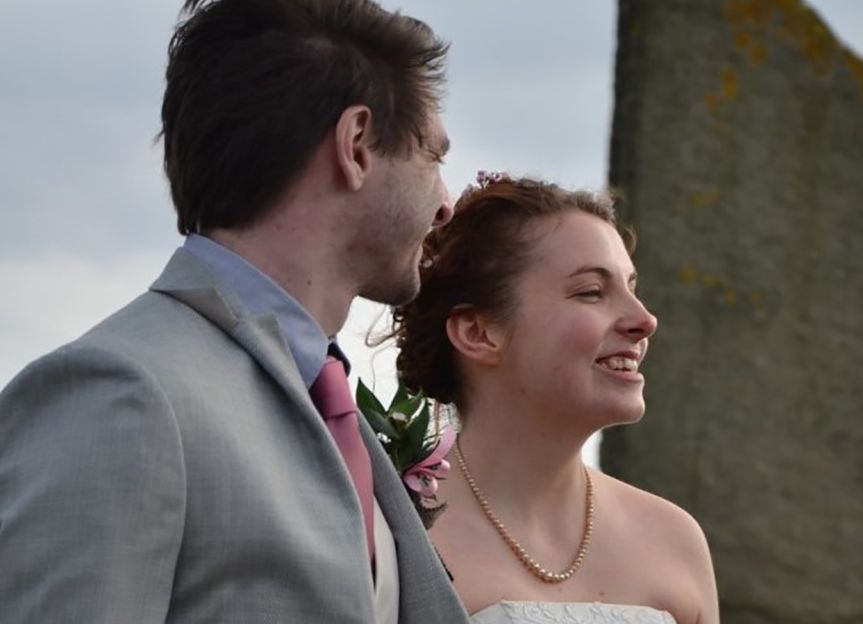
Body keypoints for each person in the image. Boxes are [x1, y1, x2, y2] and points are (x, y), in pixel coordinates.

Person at [0, 1, 469, 622]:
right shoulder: (119, 392)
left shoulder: (330, 407)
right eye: (434, 157)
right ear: (355, 144)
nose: (445, 205)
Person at [392, 174, 720, 624]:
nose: (644, 320)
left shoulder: (675, 540)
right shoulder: (392, 531)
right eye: (591, 292)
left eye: (633, 288)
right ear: (478, 332)